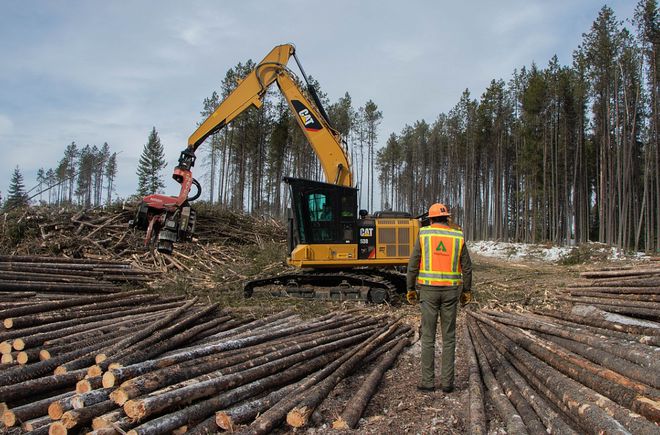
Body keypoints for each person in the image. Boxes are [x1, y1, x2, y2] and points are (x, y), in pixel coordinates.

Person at [406, 203, 473, 393]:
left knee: (428, 336)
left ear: (431, 218)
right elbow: (467, 267)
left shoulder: (424, 234)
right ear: (447, 218)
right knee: (449, 337)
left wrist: (410, 288)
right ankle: (447, 383)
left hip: (428, 291)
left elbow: (413, 264)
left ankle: (428, 382)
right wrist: (466, 291)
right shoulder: (457, 235)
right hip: (452, 292)